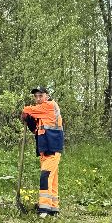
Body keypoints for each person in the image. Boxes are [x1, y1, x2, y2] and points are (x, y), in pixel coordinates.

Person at [19, 86, 64, 216]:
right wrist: (29, 120)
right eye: (36, 96)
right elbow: (36, 130)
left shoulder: (49, 106)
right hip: (45, 150)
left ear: (47, 96)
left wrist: (25, 113)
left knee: (45, 176)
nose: (38, 98)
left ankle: (44, 209)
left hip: (52, 148)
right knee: (52, 179)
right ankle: (53, 208)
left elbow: (27, 109)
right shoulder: (41, 114)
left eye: (40, 95)